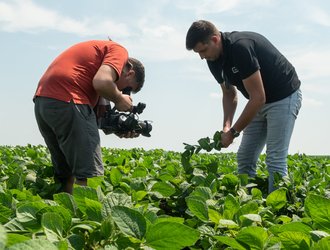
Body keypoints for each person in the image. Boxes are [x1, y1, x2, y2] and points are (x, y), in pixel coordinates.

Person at [186, 20, 302, 193]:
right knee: (245, 156)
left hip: (283, 96)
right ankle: (246, 204)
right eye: (198, 53)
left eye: (203, 50)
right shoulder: (213, 59)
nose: (202, 57)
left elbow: (258, 98)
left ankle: (278, 214)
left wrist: (233, 132)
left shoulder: (240, 47)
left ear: (215, 39)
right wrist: (226, 126)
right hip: (257, 100)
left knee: (275, 159)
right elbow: (229, 94)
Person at [33, 39, 145, 194]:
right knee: (90, 176)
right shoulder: (119, 51)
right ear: (129, 72)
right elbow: (102, 82)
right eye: (127, 89)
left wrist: (119, 128)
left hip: (44, 102)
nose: (124, 93)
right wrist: (120, 98)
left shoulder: (93, 66)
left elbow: (95, 119)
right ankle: (87, 217)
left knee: (65, 174)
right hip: (69, 97)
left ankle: (64, 213)